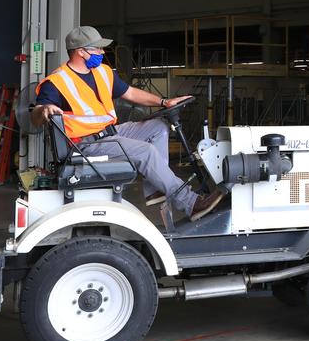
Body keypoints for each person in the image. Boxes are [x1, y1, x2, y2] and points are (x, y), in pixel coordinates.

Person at [30, 25, 224, 221]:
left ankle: (154, 189)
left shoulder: (103, 72)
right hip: (85, 144)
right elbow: (36, 117)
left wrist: (164, 102)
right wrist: (44, 110)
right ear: (81, 51)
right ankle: (190, 203)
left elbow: (130, 93)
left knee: (159, 127)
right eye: (97, 48)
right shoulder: (56, 82)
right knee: (145, 151)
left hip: (110, 132)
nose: (102, 52)